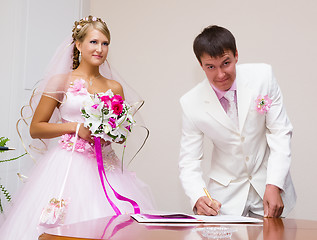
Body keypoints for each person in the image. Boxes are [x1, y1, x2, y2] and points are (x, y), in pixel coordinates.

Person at [0, 16, 155, 239]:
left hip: (106, 167)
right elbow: (36, 128)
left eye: (105, 43)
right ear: (79, 45)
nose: (100, 49)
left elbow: (120, 136)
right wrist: (75, 127)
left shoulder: (114, 87)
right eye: (93, 42)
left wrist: (113, 132)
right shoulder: (61, 81)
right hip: (68, 165)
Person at [179, 25, 296, 218]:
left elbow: (280, 132)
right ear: (201, 65)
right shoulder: (190, 103)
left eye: (226, 63)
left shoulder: (263, 77)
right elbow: (189, 160)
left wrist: (274, 184)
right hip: (224, 199)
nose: (220, 74)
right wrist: (198, 196)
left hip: (267, 185)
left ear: (236, 55)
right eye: (210, 67)